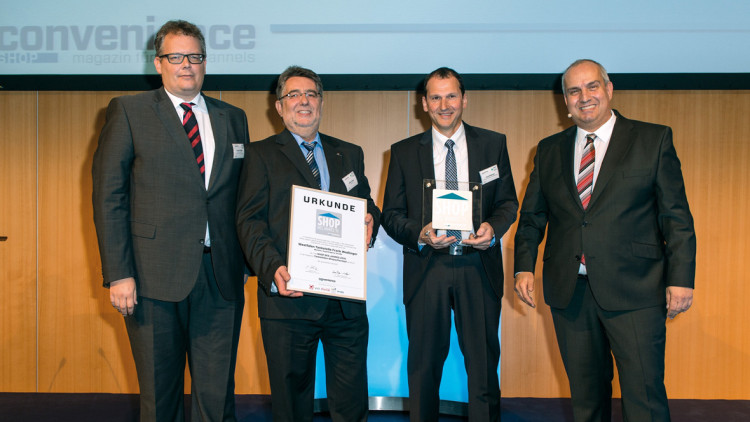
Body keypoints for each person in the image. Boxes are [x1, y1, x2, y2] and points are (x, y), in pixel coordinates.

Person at [513, 59, 696, 422]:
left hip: (636, 292)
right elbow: (532, 217)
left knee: (644, 397)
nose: (585, 97)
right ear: (564, 102)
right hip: (571, 293)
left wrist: (681, 278)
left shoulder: (652, 139)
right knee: (586, 401)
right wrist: (523, 267)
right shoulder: (548, 150)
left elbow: (675, 216)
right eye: (574, 91)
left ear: (609, 89)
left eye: (592, 87)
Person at [92, 20, 249, 422]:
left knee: (217, 398)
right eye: (176, 57)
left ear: (205, 63)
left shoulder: (234, 117)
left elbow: (243, 196)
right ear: (158, 63)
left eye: (194, 57)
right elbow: (110, 197)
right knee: (160, 398)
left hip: (220, 276)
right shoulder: (129, 111)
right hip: (151, 278)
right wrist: (119, 272)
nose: (186, 65)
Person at [236, 65, 381, 422]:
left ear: (321, 103)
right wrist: (272, 268)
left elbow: (366, 203)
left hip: (345, 304)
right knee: (292, 406)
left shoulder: (348, 153)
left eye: (311, 94)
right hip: (289, 301)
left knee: (351, 404)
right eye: (294, 95)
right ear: (279, 107)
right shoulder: (260, 155)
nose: (303, 101)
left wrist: (371, 220)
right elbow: (249, 221)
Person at [381, 67, 518, 421]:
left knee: (484, 369)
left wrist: (493, 227)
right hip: (429, 269)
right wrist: (421, 234)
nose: (445, 105)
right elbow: (392, 215)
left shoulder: (493, 144)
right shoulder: (403, 152)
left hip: (478, 265)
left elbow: (508, 203)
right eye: (436, 97)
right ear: (424, 104)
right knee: (424, 370)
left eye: (452, 96)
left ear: (464, 99)